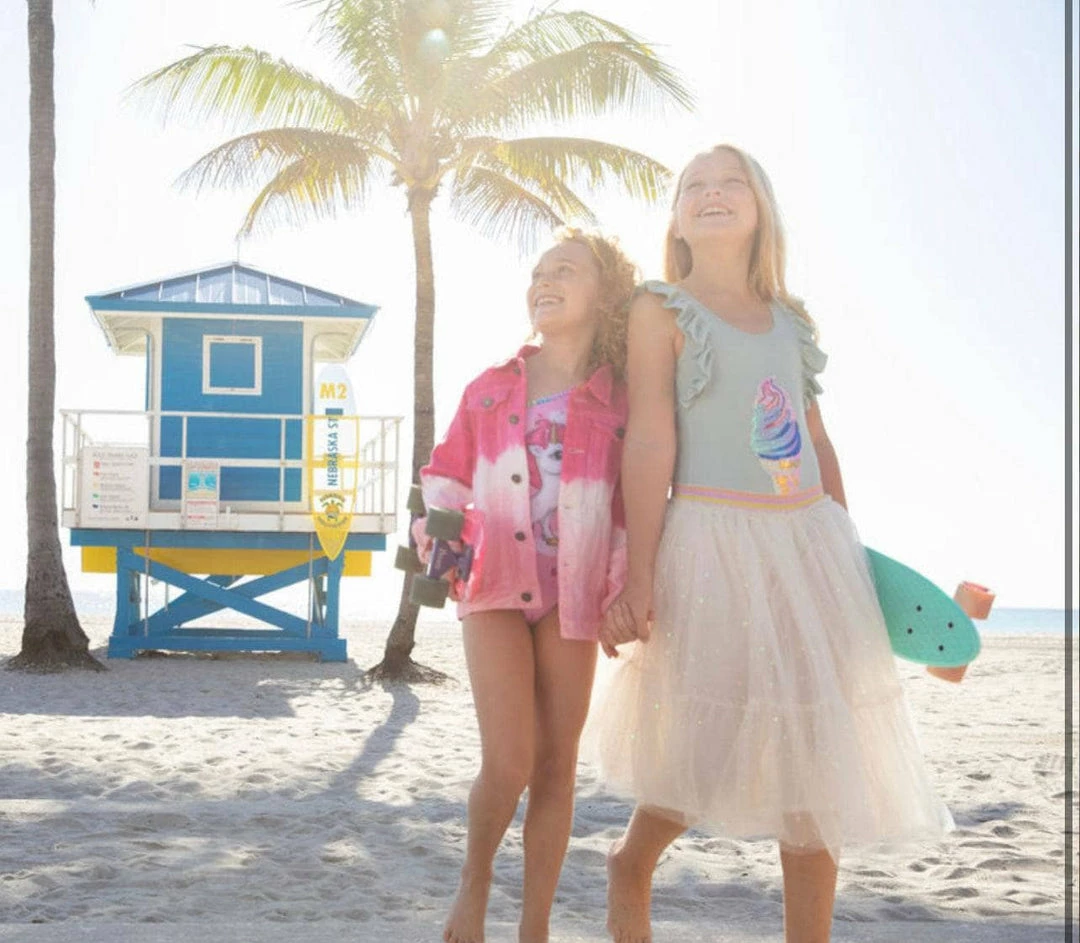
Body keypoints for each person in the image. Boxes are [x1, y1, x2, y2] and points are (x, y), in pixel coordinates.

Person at [591, 146, 953, 943]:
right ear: (676, 219)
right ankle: (632, 862)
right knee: (705, 740)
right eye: (694, 186)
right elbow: (649, 436)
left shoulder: (791, 321)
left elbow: (817, 442)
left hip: (810, 544)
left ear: (761, 210)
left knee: (818, 757)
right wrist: (639, 574)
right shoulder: (661, 308)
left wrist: (850, 554)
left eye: (732, 183)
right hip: (711, 542)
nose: (712, 193)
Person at [414, 229, 636, 943]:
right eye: (538, 271)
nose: (545, 281)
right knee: (508, 761)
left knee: (555, 765)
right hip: (493, 581)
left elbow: (629, 505)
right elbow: (444, 478)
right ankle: (475, 880)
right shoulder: (491, 387)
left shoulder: (619, 402)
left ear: (605, 295)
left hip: (575, 594)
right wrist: (438, 548)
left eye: (565, 270)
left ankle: (534, 923)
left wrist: (624, 588)